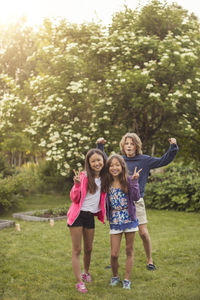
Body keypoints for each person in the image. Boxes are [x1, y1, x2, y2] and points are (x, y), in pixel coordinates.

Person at [97, 133, 178, 270]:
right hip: (120, 202)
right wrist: (100, 146)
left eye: (132, 143)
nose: (129, 146)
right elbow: (106, 162)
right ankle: (114, 261)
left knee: (142, 232)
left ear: (137, 146)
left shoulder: (144, 160)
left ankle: (150, 260)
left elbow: (163, 161)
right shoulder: (120, 160)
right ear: (123, 146)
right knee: (118, 232)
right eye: (126, 143)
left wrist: (173, 147)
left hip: (136, 201)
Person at [67, 149, 107, 293]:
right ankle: (79, 282)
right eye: (93, 161)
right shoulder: (83, 177)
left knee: (89, 249)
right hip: (77, 216)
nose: (97, 163)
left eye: (99, 160)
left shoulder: (105, 178)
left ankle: (86, 272)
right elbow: (74, 198)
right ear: (89, 164)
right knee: (77, 249)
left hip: (90, 216)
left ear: (103, 161)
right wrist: (77, 185)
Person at [105, 154, 141, 289]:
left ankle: (127, 279)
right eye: (111, 165)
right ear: (108, 168)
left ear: (122, 166)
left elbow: (136, 198)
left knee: (129, 250)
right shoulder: (106, 183)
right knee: (114, 254)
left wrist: (135, 182)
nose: (114, 167)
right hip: (115, 220)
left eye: (117, 165)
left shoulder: (129, 180)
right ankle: (115, 277)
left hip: (129, 219)